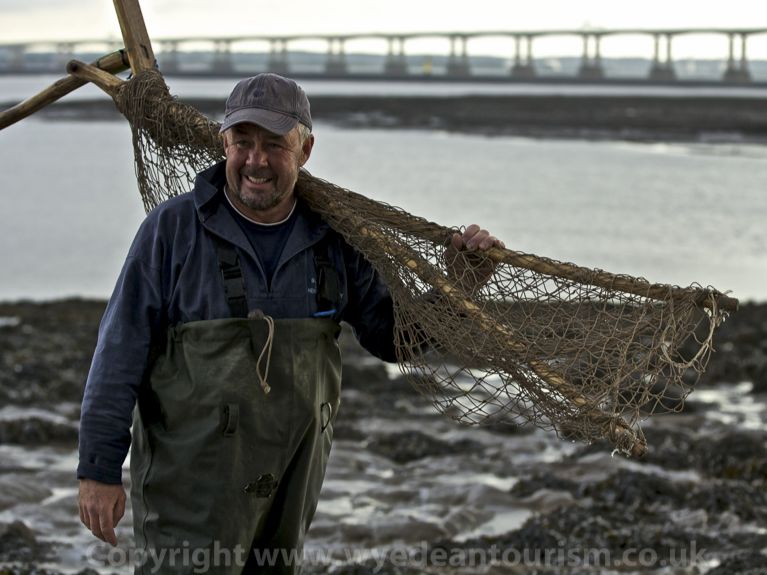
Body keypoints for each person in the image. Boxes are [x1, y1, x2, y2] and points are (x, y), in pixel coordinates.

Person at [77, 73, 504, 574]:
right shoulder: (172, 233)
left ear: (305, 149)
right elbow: (119, 353)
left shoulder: (335, 239)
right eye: (243, 142)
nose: (256, 161)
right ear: (224, 143)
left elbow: (393, 340)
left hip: (290, 484)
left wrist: (458, 289)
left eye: (274, 145)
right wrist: (99, 470)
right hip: (189, 491)